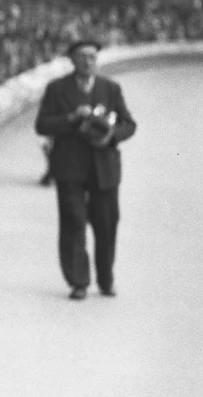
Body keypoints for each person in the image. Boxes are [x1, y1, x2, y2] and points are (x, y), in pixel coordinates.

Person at [34, 37, 137, 300]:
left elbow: (129, 124)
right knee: (73, 224)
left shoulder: (110, 89)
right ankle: (78, 282)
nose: (87, 61)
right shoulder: (57, 89)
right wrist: (70, 119)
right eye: (81, 56)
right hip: (70, 168)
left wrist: (111, 135)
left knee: (106, 225)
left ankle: (105, 279)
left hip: (105, 169)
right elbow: (42, 125)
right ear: (71, 59)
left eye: (92, 56)